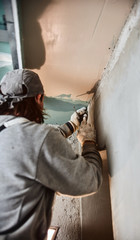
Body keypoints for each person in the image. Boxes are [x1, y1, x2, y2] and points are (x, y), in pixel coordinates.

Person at [0, 69, 103, 240]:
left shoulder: (8, 134)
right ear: (38, 98)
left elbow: (32, 149)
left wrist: (71, 125)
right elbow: (90, 180)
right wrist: (88, 143)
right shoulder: (37, 138)